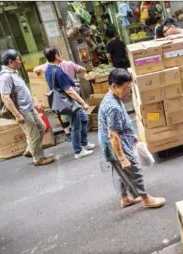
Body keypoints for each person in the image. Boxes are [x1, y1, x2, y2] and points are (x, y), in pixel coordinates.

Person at [98, 68, 166, 209]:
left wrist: (131, 135)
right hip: (116, 143)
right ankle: (145, 198)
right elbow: (113, 135)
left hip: (113, 142)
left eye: (129, 88)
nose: (128, 92)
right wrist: (122, 157)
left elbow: (117, 125)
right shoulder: (113, 106)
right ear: (114, 86)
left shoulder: (112, 97)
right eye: (125, 88)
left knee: (120, 171)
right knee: (133, 168)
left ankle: (125, 198)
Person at [0, 50, 54, 166]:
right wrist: (17, 115)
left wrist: (34, 102)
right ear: (10, 62)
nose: (20, 62)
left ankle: (30, 149)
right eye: (18, 60)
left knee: (42, 127)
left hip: (29, 108)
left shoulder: (14, 72)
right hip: (22, 111)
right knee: (33, 134)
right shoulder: (5, 77)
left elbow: (21, 91)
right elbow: (5, 98)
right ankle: (38, 159)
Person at [43, 46, 95, 159]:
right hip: (67, 101)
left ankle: (84, 143)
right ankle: (78, 151)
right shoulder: (57, 71)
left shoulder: (48, 70)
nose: (61, 56)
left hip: (64, 100)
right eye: (59, 54)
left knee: (84, 119)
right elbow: (68, 90)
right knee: (76, 126)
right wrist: (82, 102)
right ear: (56, 56)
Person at [33, 57, 86, 142]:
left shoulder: (47, 66)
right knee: (78, 116)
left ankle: (69, 134)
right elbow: (82, 69)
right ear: (58, 56)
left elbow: (35, 70)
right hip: (73, 93)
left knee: (64, 115)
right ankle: (81, 142)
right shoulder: (69, 64)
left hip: (61, 96)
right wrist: (75, 71)